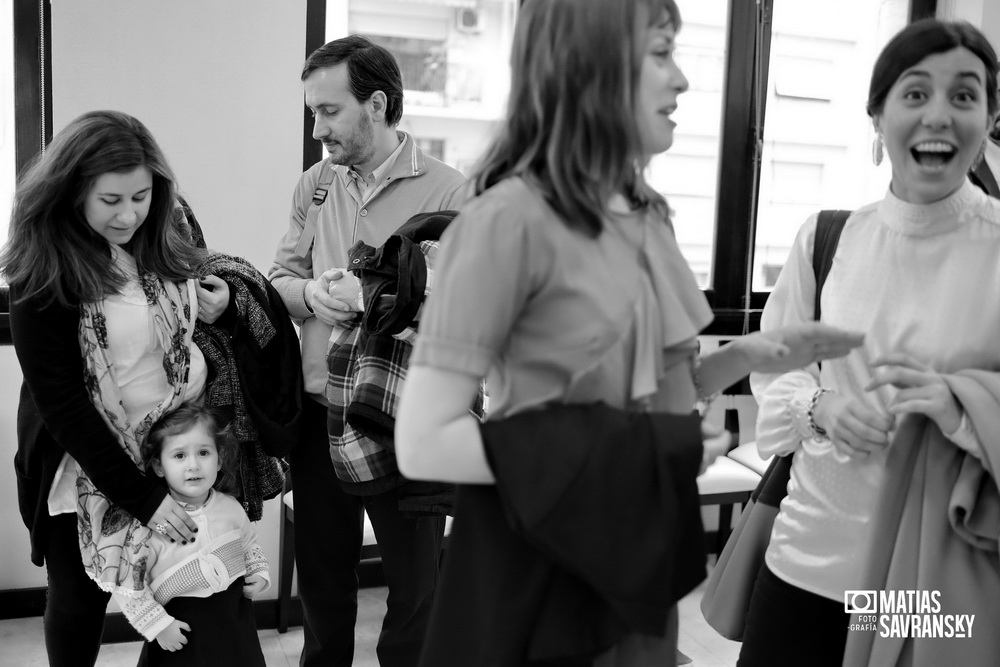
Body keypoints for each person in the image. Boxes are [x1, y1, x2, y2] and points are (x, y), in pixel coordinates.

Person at [394, 0, 865, 665]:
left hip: (633, 554)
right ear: (591, 65)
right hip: (541, 564)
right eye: (662, 53)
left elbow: (648, 401)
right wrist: (632, 453)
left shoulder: (650, 216)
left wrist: (754, 355)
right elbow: (425, 441)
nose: (683, 80)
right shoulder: (506, 222)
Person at [739, 19, 1000, 667]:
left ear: (991, 117)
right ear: (876, 117)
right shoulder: (827, 239)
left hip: (931, 570)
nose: (938, 115)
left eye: (964, 96)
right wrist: (819, 405)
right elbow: (773, 370)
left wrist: (962, 406)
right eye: (915, 94)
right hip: (806, 553)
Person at [2, 110, 233, 666]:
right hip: (84, 463)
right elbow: (63, 404)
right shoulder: (43, 269)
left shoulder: (162, 232)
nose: (129, 214)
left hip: (169, 450)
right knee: (80, 600)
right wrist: (144, 499)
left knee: (175, 587)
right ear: (73, 190)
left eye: (142, 195)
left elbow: (189, 305)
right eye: (111, 201)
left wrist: (218, 304)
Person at [268, 35, 468, 666]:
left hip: (406, 420)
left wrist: (378, 297)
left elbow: (469, 312)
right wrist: (311, 297)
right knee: (323, 585)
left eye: (329, 111)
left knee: (416, 590)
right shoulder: (314, 185)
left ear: (376, 104)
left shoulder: (451, 193)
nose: (318, 127)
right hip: (319, 410)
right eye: (313, 112)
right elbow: (278, 279)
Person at [112, 403, 269, 666]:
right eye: (179, 456)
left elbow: (248, 545)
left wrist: (258, 572)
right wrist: (159, 627)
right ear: (159, 466)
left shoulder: (231, 507)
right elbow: (128, 585)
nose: (194, 465)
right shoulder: (147, 528)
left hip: (234, 627)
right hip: (179, 636)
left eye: (204, 453)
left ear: (219, 460)